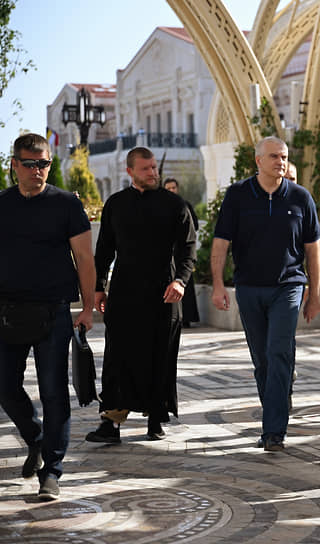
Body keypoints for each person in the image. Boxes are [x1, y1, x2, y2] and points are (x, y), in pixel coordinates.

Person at [210, 136, 320, 452]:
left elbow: (313, 249)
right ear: (258, 161)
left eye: (284, 156)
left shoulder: (301, 198)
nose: (280, 162)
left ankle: (274, 430)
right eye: (274, 156)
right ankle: (279, 398)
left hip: (288, 286)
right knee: (262, 360)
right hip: (249, 288)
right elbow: (221, 243)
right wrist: (218, 285)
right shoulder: (238, 196)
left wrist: (313, 294)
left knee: (278, 351)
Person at [0, 133, 95, 501]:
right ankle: (36, 438)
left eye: (44, 164)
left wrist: (86, 308)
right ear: (14, 165)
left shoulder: (66, 205)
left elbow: (85, 259)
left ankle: (52, 471)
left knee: (54, 392)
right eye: (30, 163)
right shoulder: (2, 205)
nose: (37, 171)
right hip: (7, 311)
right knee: (5, 385)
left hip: (54, 311)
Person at [86, 147, 196, 444]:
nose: (153, 173)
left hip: (164, 293)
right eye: (146, 168)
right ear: (130, 170)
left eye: (154, 168)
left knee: (159, 355)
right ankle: (111, 423)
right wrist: (98, 287)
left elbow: (188, 249)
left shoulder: (175, 205)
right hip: (124, 293)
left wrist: (180, 281)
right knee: (117, 357)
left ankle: (156, 417)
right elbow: (105, 249)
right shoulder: (116, 204)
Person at [164, 178, 200, 327]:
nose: (171, 191)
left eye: (174, 188)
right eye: (168, 188)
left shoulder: (185, 206)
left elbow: (194, 226)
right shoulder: (161, 206)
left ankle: (187, 318)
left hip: (182, 253)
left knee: (184, 283)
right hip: (167, 254)